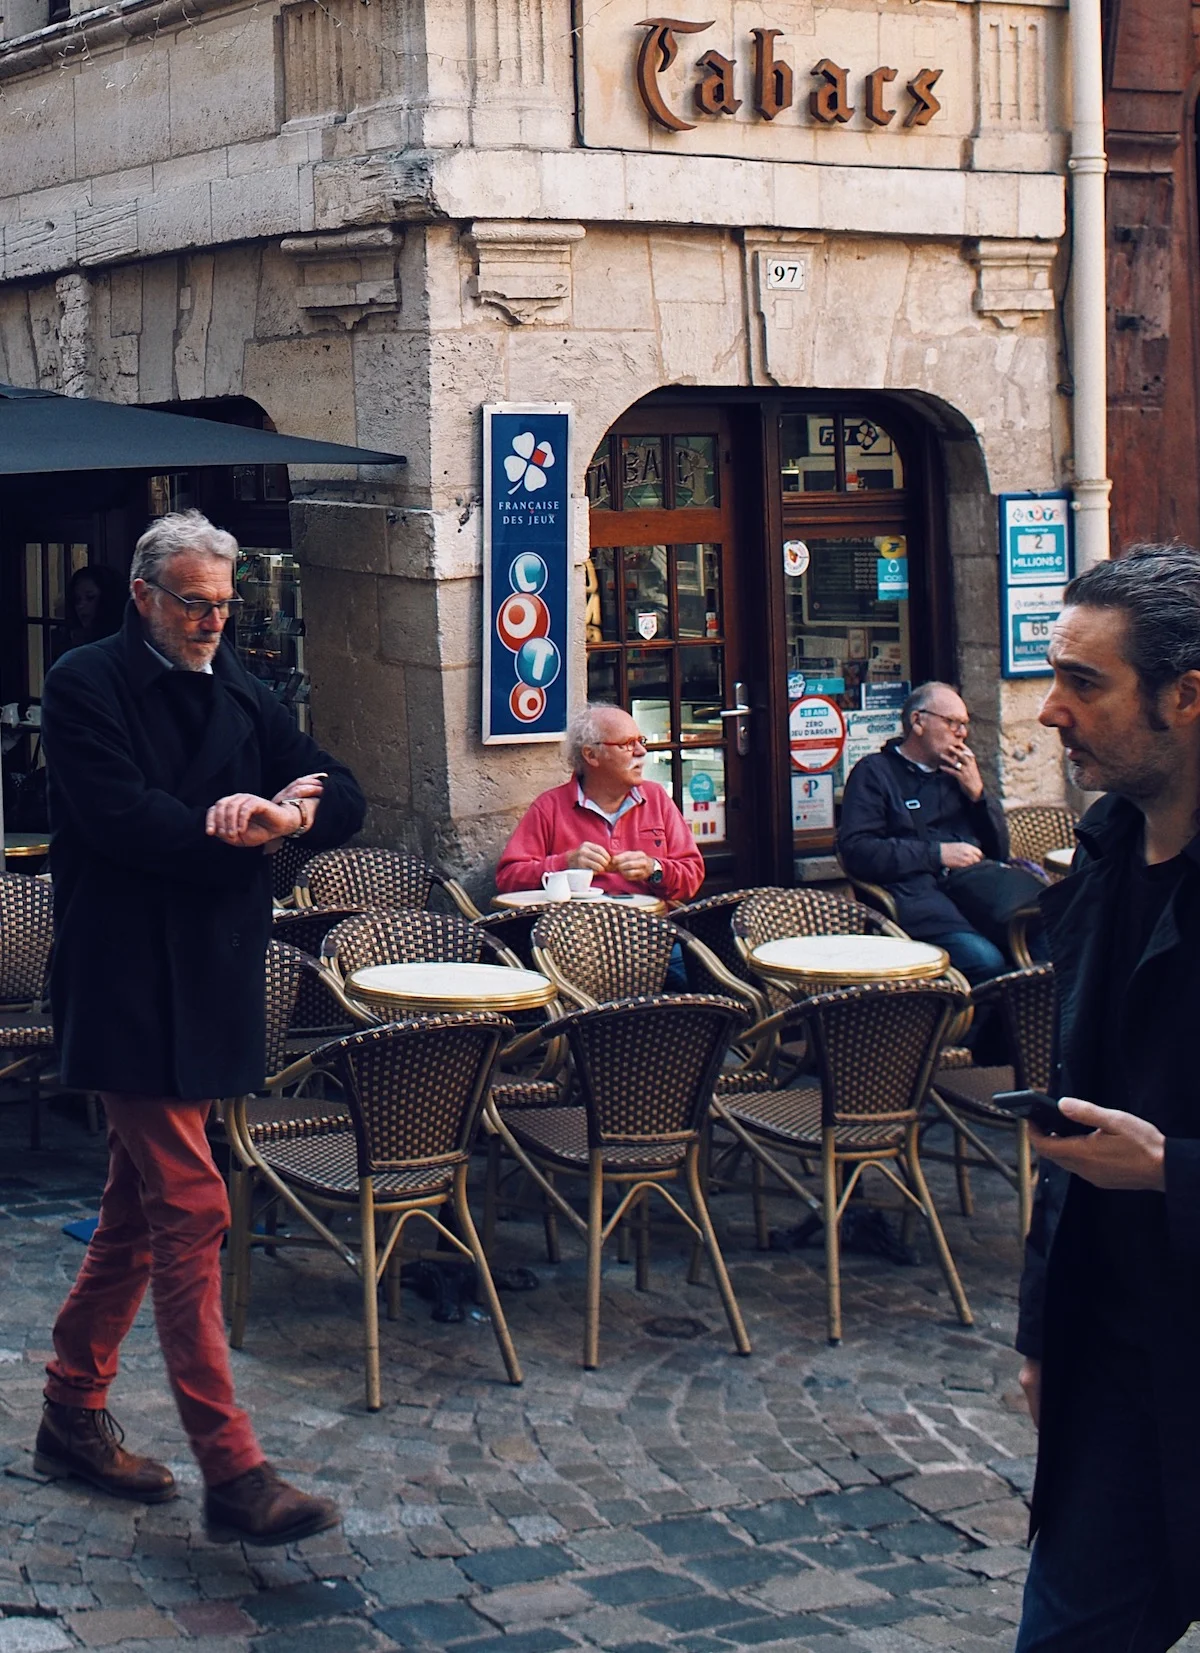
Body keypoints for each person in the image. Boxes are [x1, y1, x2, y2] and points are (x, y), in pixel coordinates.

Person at [35, 509, 366, 1546]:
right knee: (190, 1206)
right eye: (194, 603)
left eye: (225, 605)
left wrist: (294, 817)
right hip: (126, 983)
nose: (214, 622)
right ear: (145, 597)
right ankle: (234, 1471)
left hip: (213, 981)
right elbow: (121, 818)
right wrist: (239, 827)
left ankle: (70, 1417)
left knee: (136, 1215)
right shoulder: (85, 682)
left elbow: (341, 785)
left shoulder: (245, 692)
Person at [1014, 545, 1200, 1649]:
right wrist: (1047, 1336)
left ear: (1188, 692)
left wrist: (1175, 1167)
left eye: (1085, 682)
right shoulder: (1102, 859)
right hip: (1122, 1363)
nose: (1050, 711)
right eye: (1054, 676)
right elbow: (1070, 1117)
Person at [836, 681, 1015, 984]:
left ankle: (1034, 1030)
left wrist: (978, 795)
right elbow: (857, 850)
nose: (962, 733)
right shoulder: (874, 773)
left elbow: (999, 850)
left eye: (964, 725)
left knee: (1049, 942)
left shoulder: (958, 775)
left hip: (978, 896)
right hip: (918, 902)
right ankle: (964, 1031)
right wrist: (937, 853)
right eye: (952, 723)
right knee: (986, 961)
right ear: (918, 721)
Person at [495, 702, 705, 904]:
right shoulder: (550, 807)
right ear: (591, 755)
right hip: (576, 931)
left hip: (647, 931)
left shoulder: (656, 798)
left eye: (642, 741)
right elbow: (508, 879)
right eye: (628, 744)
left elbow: (692, 876)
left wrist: (655, 869)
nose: (641, 752)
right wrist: (565, 863)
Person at [58, 563, 126, 655]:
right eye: (77, 600)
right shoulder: (71, 640)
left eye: (90, 597)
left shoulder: (126, 642)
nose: (81, 606)